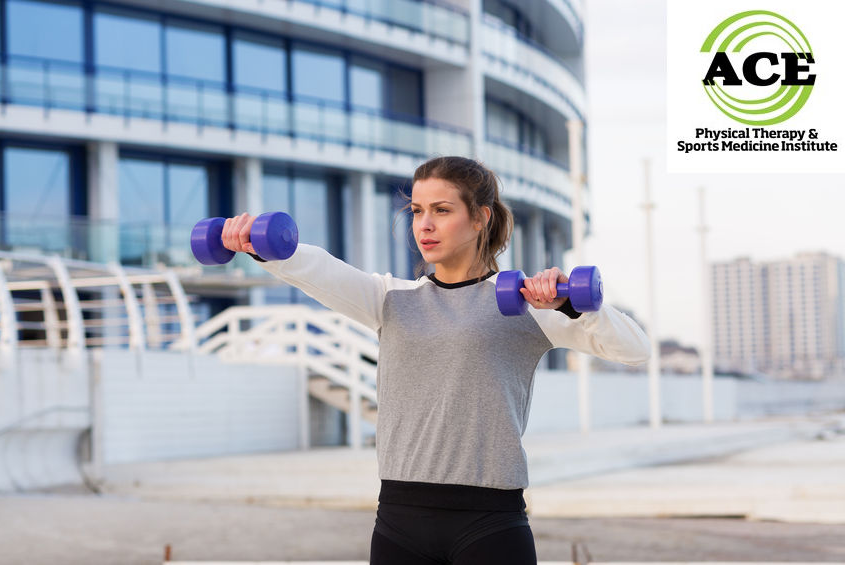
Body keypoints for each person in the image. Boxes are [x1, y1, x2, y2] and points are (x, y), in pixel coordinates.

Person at [220, 156, 650, 564]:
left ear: (481, 217)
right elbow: (317, 268)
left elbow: (633, 349)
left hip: (489, 521)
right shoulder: (390, 299)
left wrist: (572, 306)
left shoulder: (525, 304)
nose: (424, 225)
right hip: (399, 519)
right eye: (416, 210)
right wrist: (259, 245)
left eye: (442, 210)